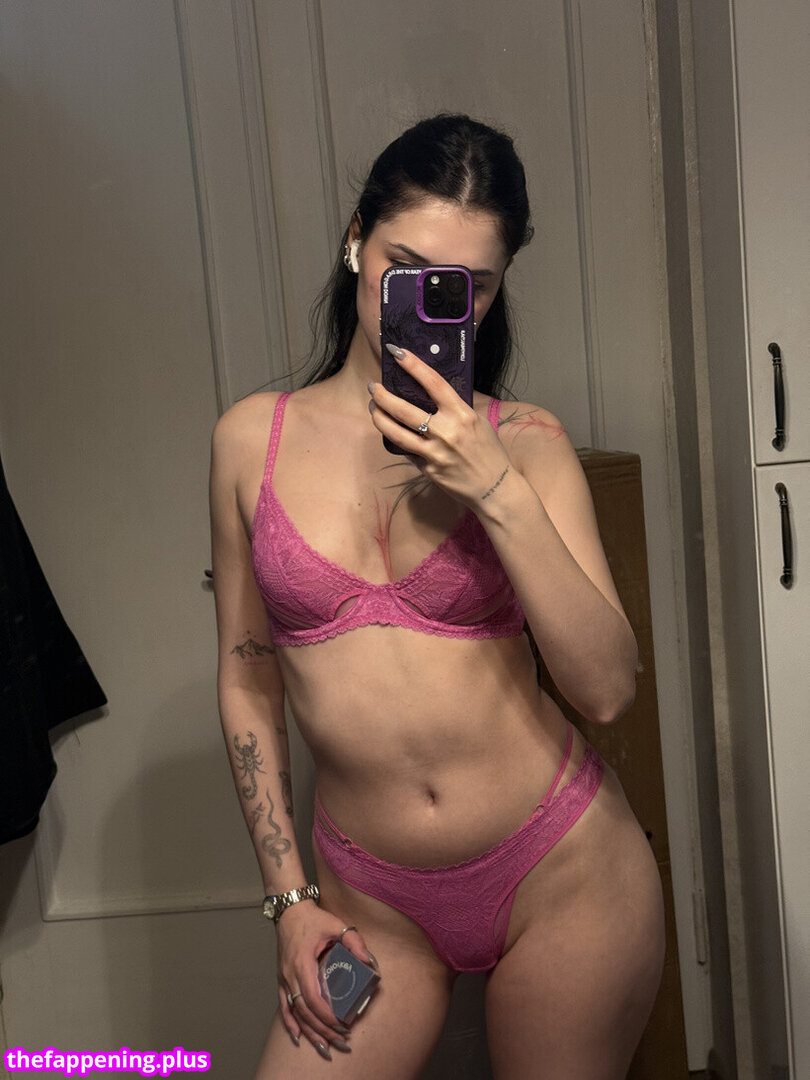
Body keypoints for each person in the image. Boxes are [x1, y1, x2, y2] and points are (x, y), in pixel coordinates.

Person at [209, 113, 666, 1079]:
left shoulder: (528, 444)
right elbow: (249, 678)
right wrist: (289, 901)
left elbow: (607, 688)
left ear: (495, 290)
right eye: (405, 267)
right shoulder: (251, 441)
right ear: (355, 239)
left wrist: (493, 485)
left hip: (564, 871)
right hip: (370, 900)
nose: (429, 302)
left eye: (471, 284)